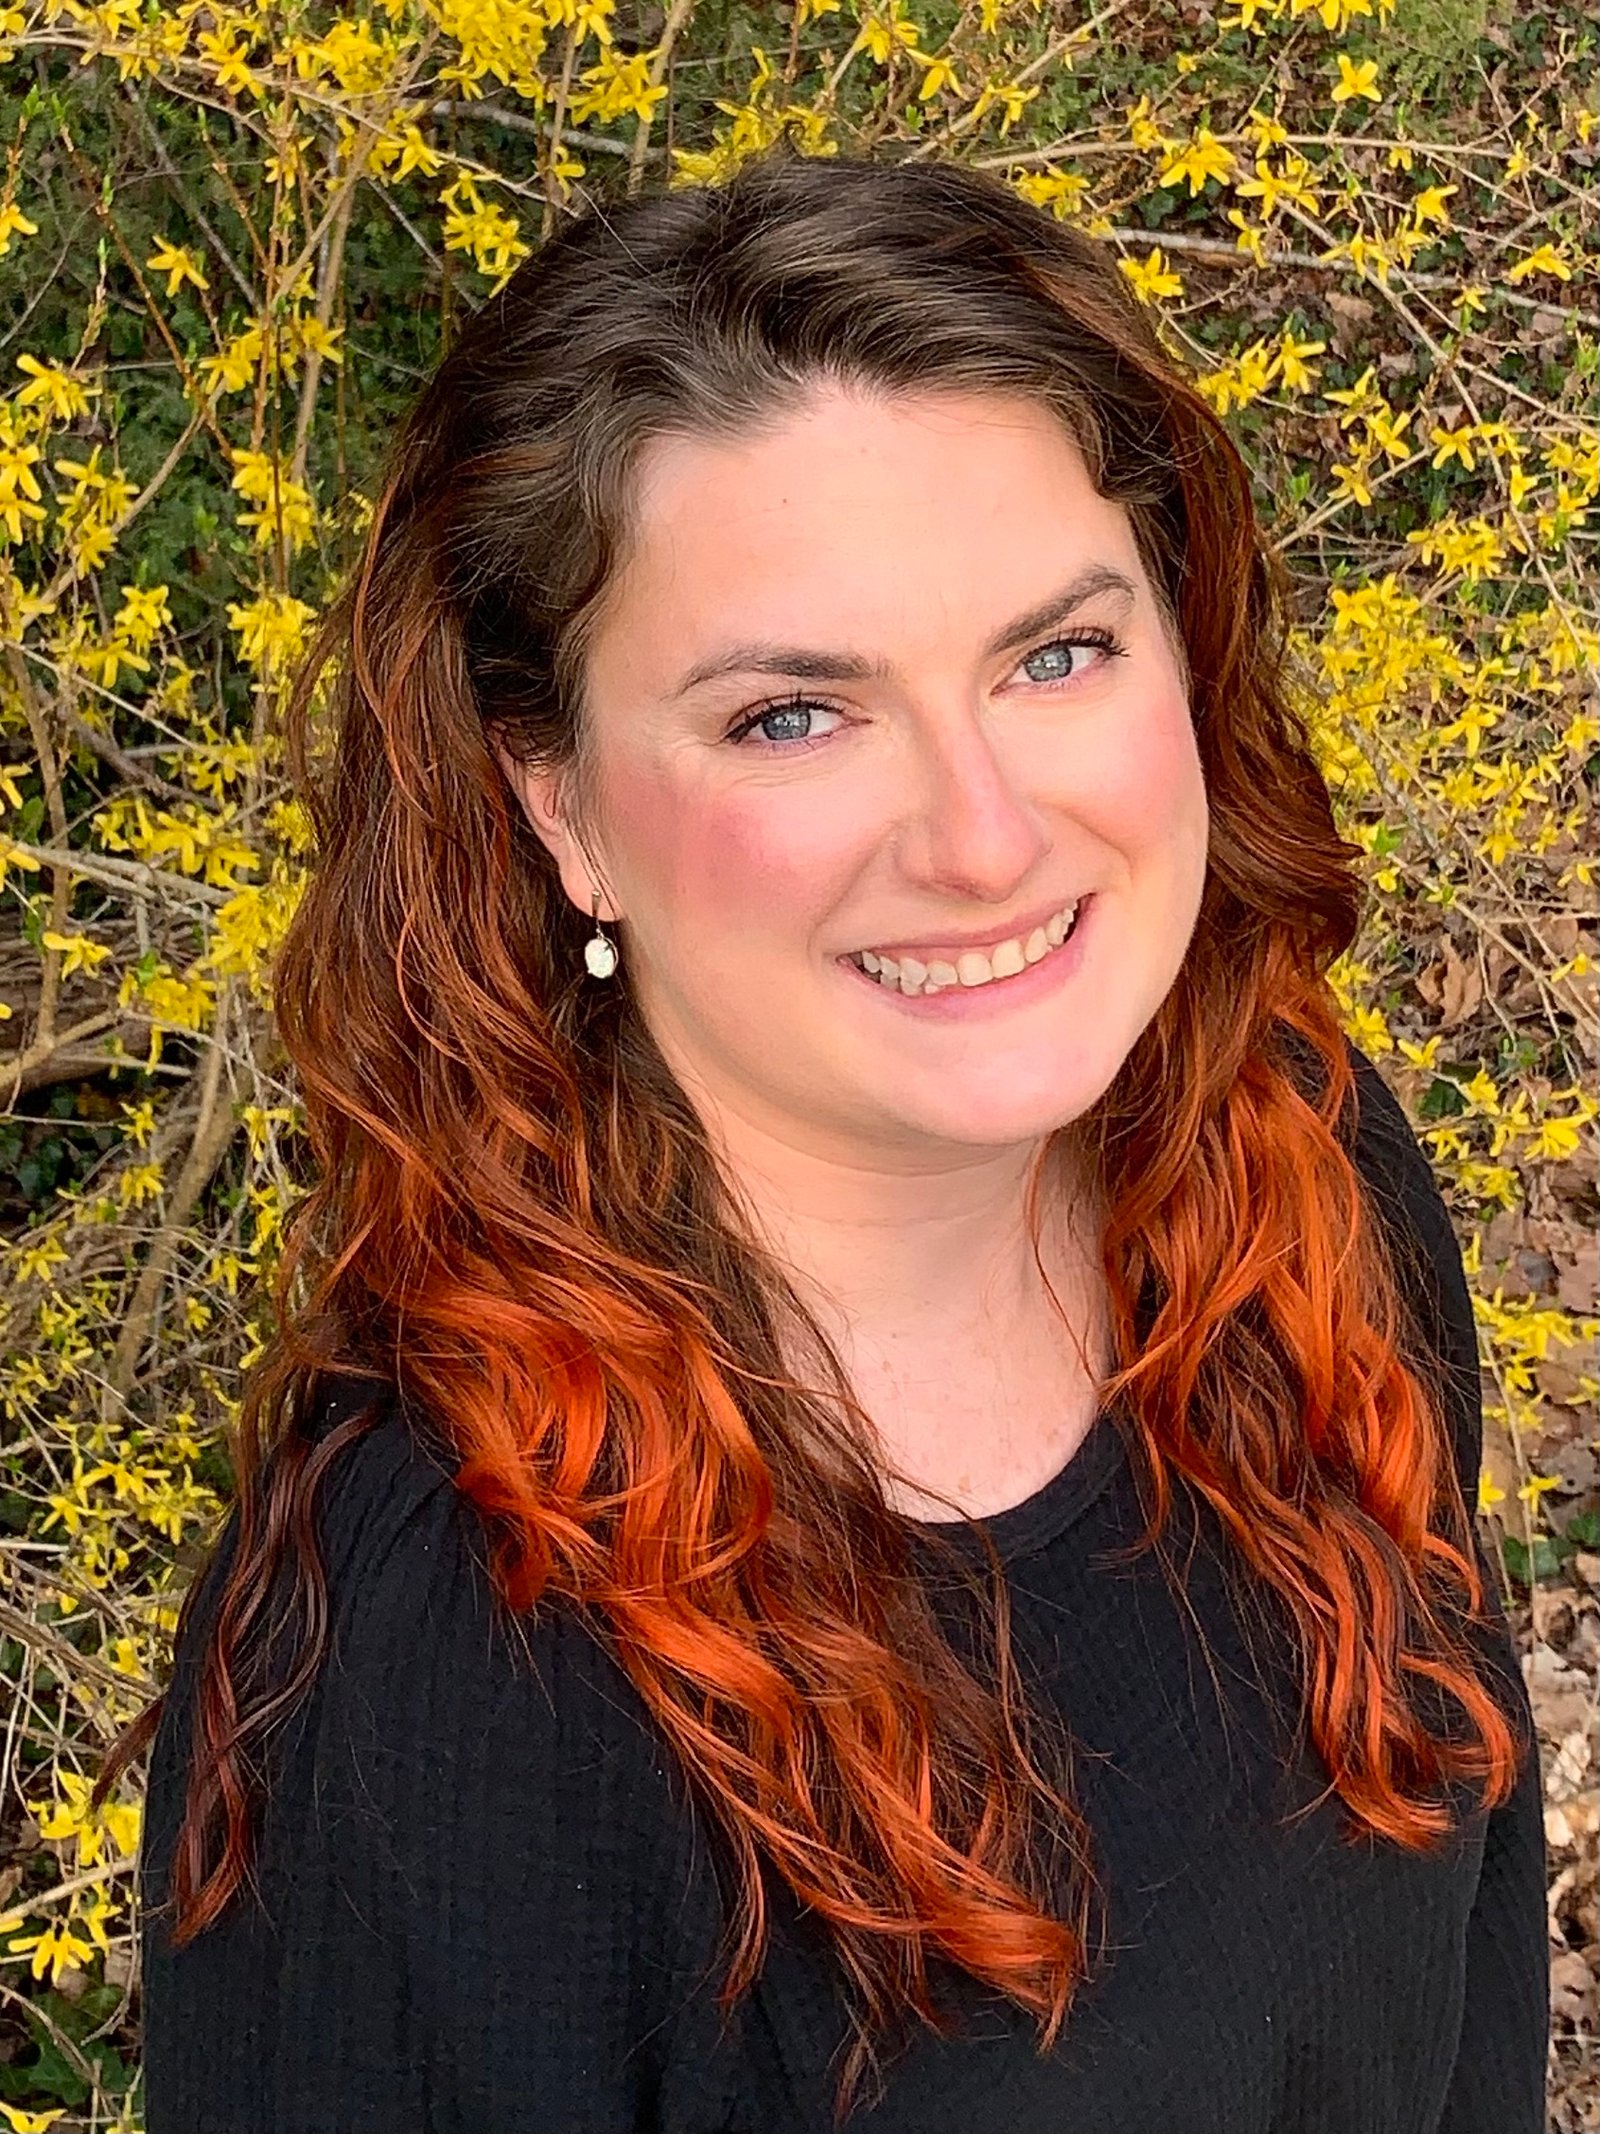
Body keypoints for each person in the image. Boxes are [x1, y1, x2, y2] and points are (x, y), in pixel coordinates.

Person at [102, 146, 1549, 2133]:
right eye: (793, 712)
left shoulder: (1285, 1176)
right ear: (558, 804)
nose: (979, 832)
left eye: (1055, 653)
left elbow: (1457, 1980)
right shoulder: (445, 1637)